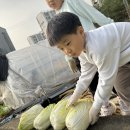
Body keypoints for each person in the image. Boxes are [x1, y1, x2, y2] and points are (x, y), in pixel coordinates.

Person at [46, 12, 130, 125]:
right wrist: (76, 95)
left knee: (115, 83)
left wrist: (95, 107)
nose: (67, 51)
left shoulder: (98, 46)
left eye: (68, 43)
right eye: (61, 49)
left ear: (81, 32)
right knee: (121, 85)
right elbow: (86, 74)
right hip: (123, 58)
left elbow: (105, 79)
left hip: (126, 52)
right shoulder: (81, 50)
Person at [45, 0, 113, 73]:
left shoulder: (72, 2)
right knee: (92, 80)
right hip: (80, 55)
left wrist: (113, 28)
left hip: (93, 46)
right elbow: (63, 43)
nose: (50, 1)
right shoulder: (57, 16)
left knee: (106, 73)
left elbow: (95, 15)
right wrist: (69, 59)